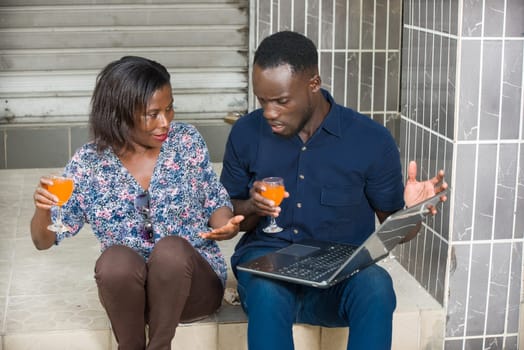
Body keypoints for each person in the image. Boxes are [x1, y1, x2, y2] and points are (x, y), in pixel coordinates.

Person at [202, 31, 448, 350]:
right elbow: (232, 218)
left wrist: (412, 211)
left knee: (377, 285)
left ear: (313, 84)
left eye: (281, 101)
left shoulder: (371, 140)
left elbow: (395, 227)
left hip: (339, 276)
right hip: (268, 268)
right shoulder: (247, 133)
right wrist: (251, 206)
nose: (270, 112)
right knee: (266, 287)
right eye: (263, 100)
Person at [30, 56, 244, 350]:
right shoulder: (89, 162)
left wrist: (226, 224)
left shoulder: (185, 141)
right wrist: (43, 209)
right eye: (152, 113)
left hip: (192, 289)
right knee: (114, 261)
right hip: (132, 300)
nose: (165, 121)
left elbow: (214, 200)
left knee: (170, 250)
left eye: (169, 108)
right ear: (119, 114)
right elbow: (43, 241)